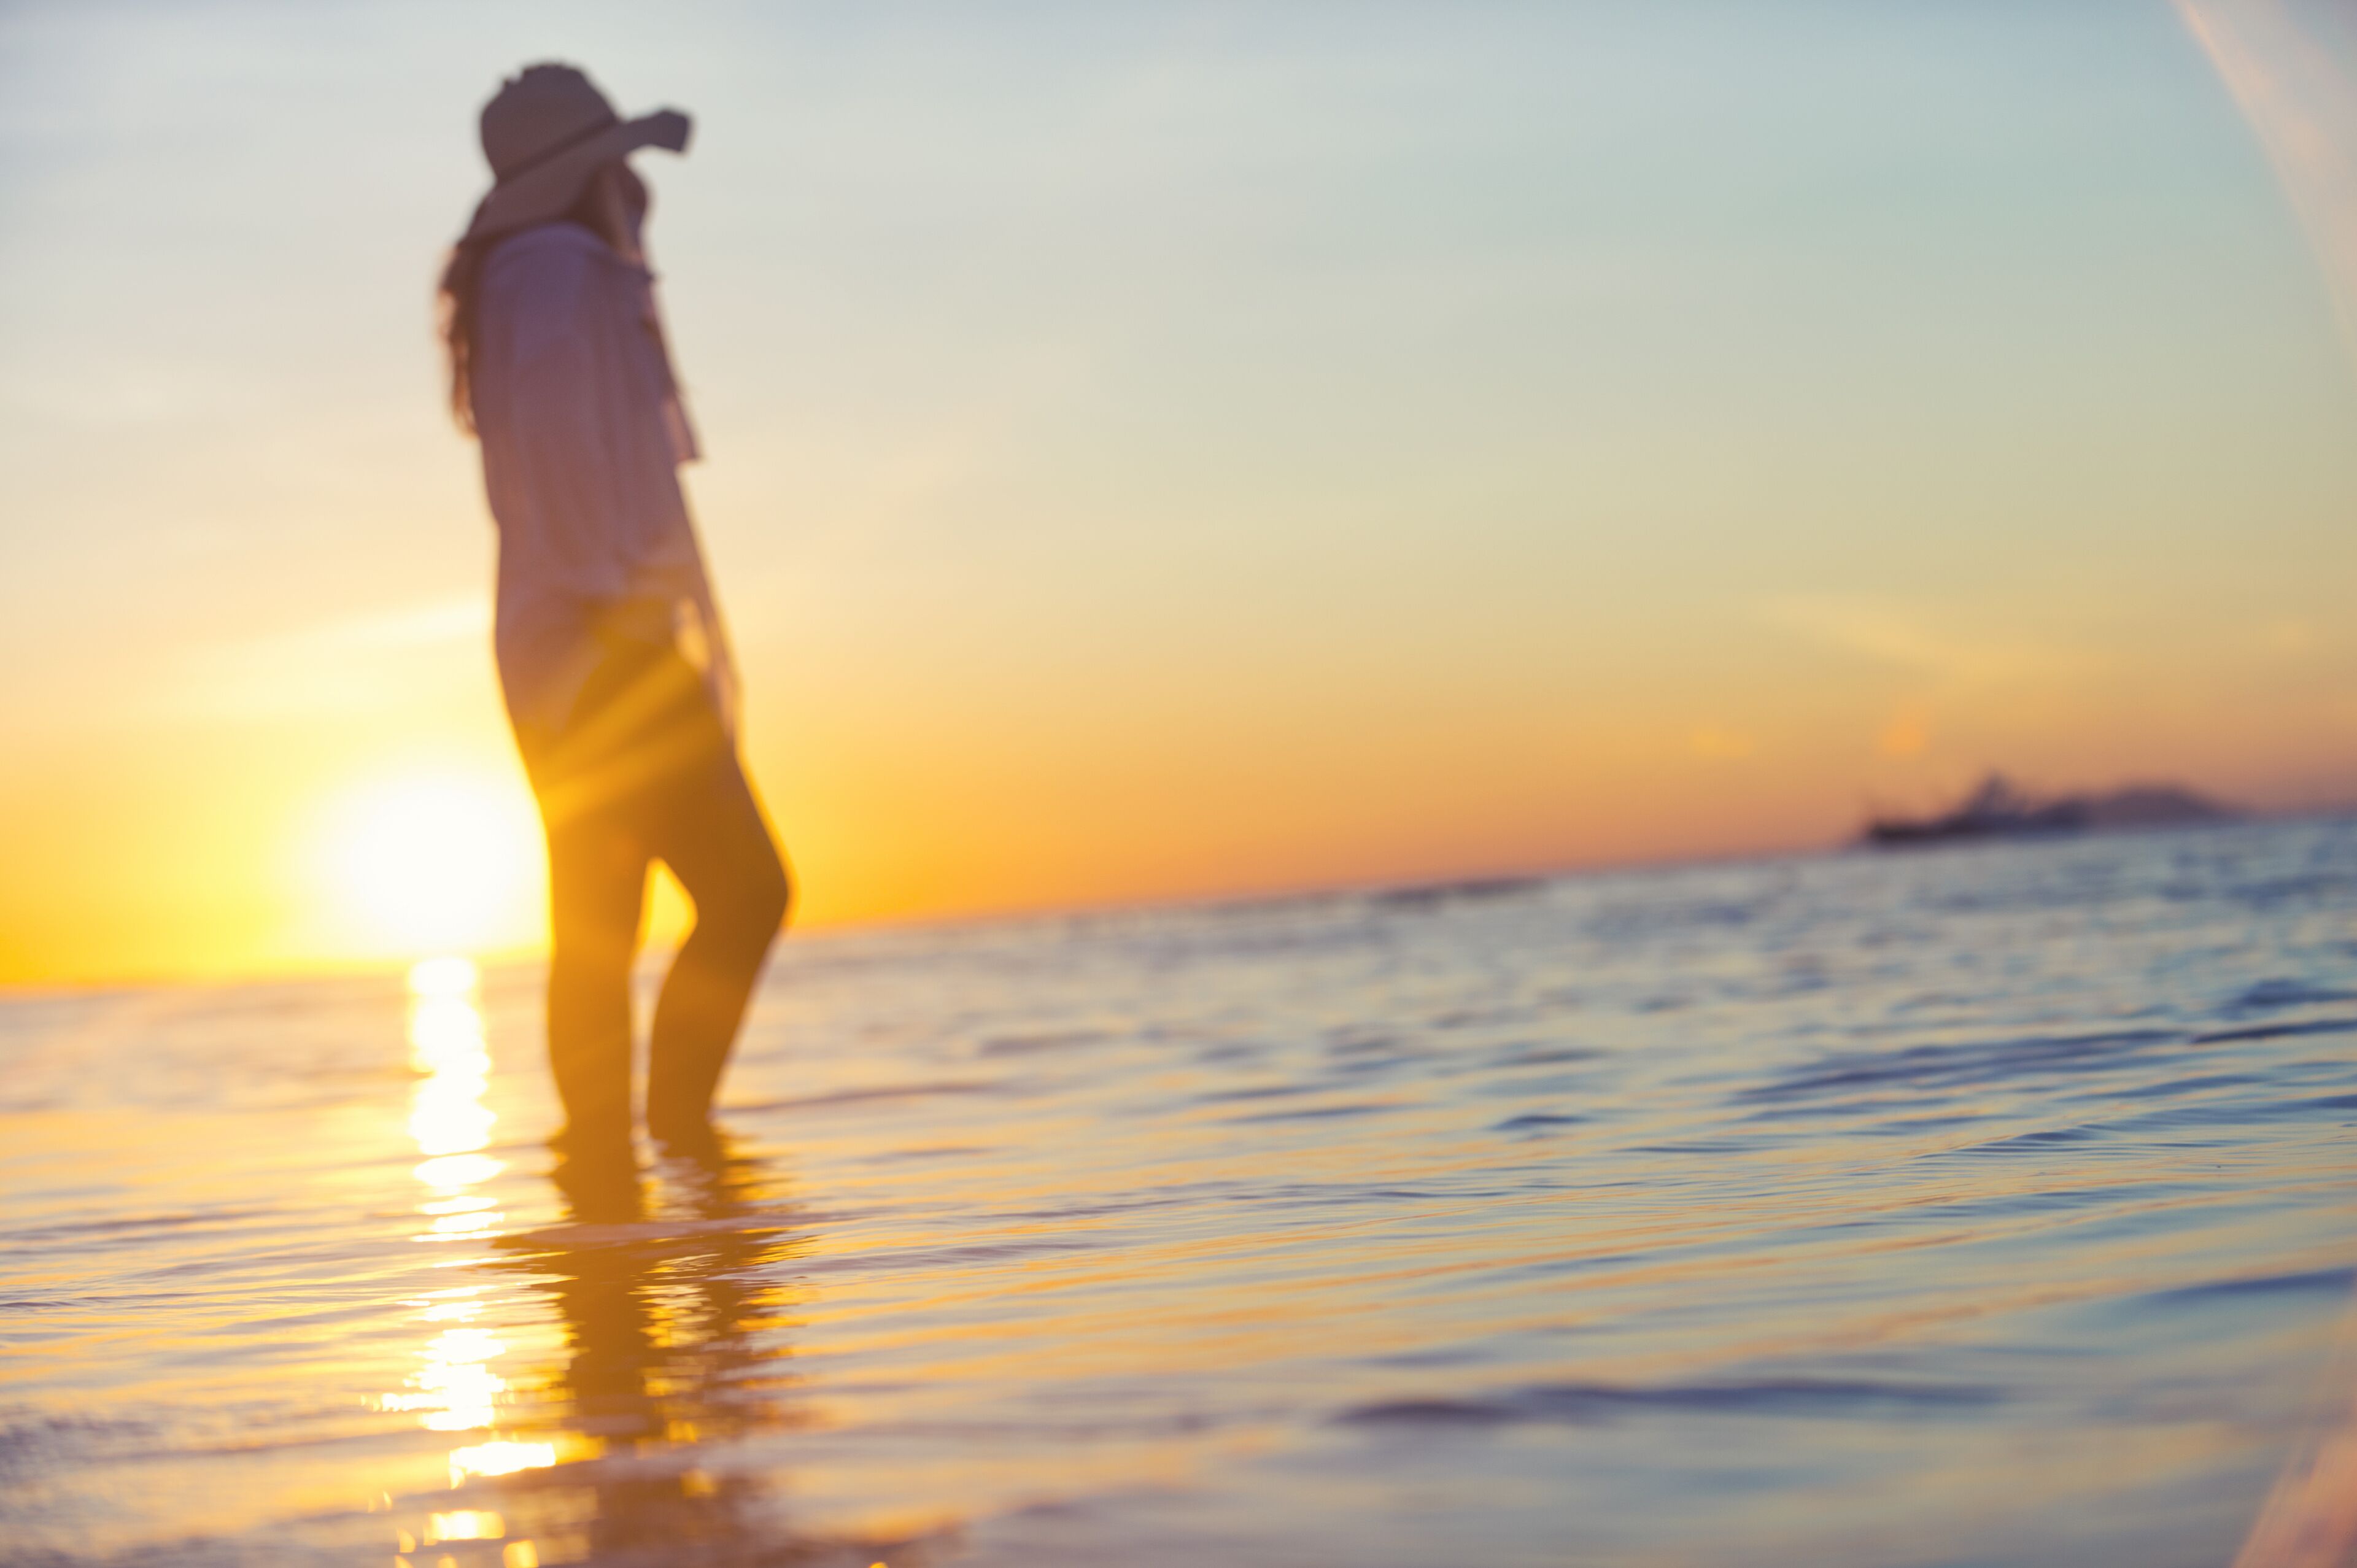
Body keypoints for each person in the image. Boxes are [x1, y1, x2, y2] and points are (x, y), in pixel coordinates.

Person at [437, 63, 789, 1162]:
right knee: (745, 893)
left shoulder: (533, 268)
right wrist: (621, 618)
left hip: (572, 641)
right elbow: (561, 450)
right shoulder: (556, 267)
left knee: (601, 922)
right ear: (586, 172)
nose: (635, 185)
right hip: (603, 639)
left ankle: (610, 1187)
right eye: (616, 162)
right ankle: (674, 1146)